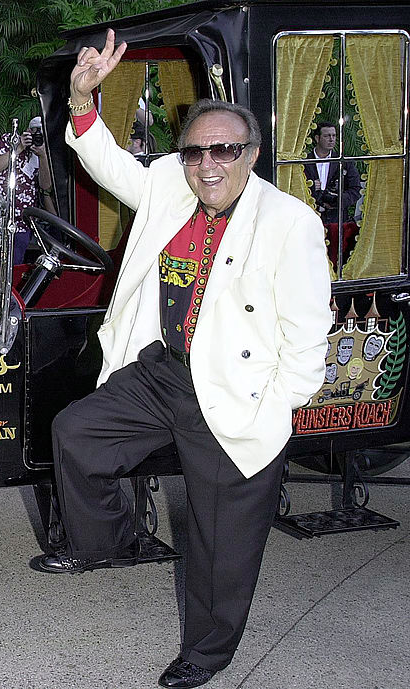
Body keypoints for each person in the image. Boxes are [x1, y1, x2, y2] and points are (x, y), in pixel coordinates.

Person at [34, 30, 332, 689]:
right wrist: (83, 100)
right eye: (196, 150)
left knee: (220, 546)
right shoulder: (172, 183)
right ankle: (107, 544)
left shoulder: (288, 222)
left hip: (236, 388)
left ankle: (208, 652)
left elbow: (311, 330)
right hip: (164, 369)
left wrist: (275, 404)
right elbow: (113, 167)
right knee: (76, 433)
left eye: (224, 150)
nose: (208, 164)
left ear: (249, 154)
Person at [0, 115, 55, 264]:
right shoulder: (10, 140)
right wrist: (19, 147)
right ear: (27, 131)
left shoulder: (45, 151)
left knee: (12, 267)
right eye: (34, 132)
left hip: (20, 224)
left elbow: (45, 186)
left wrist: (42, 156)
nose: (37, 136)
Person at [304, 121, 361, 225]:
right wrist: (311, 187)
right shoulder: (304, 161)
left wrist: (337, 201)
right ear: (317, 138)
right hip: (310, 218)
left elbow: (355, 189)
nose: (331, 139)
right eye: (327, 136)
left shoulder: (344, 162)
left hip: (337, 221)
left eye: (334, 136)